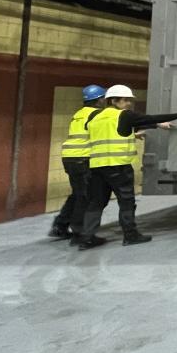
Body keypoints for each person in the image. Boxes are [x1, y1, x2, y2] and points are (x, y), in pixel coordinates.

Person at [75, 85, 177, 250]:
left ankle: (86, 238)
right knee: (126, 201)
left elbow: (112, 132)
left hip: (96, 167)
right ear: (113, 100)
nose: (129, 104)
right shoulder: (124, 115)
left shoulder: (94, 117)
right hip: (118, 166)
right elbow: (148, 118)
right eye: (125, 100)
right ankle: (130, 235)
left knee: (96, 202)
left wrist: (141, 130)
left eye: (129, 101)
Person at [49, 85, 107, 240]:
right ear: (99, 100)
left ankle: (60, 225)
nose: (105, 101)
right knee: (85, 196)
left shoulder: (79, 114)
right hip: (83, 158)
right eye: (104, 98)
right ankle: (79, 231)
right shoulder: (97, 115)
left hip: (70, 157)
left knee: (78, 193)